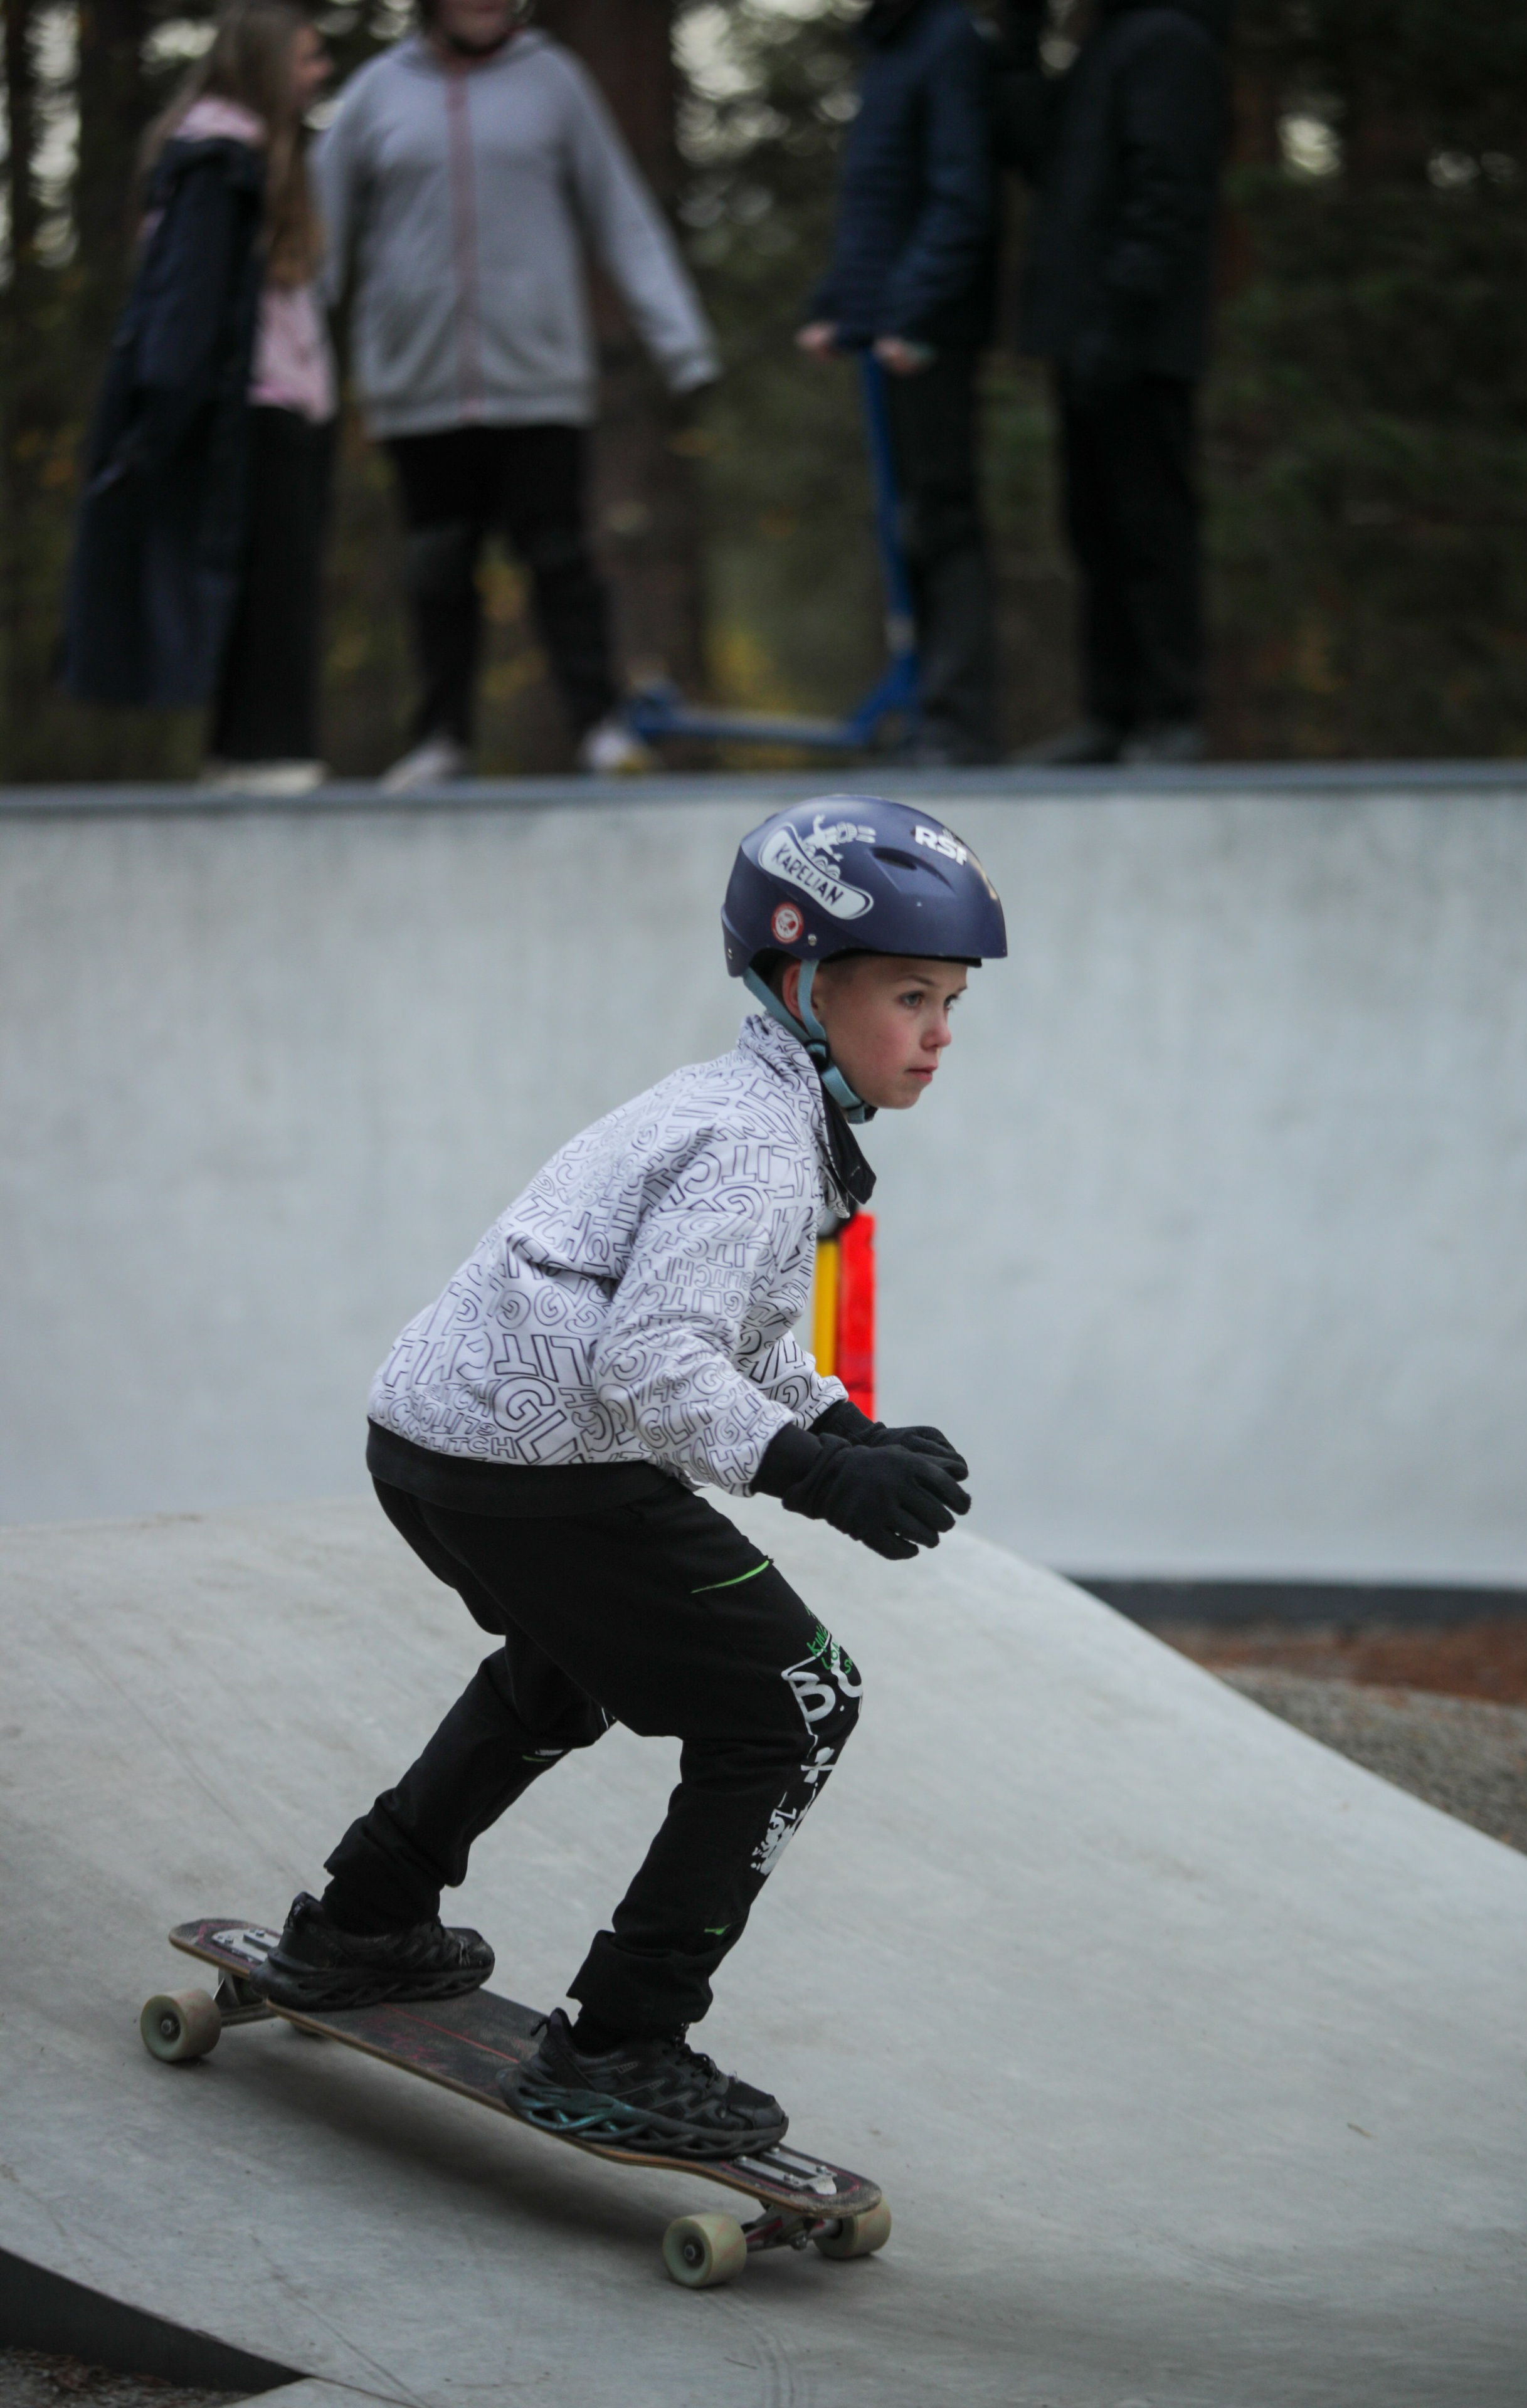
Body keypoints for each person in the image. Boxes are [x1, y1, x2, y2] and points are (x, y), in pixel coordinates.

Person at [255, 796, 1007, 2158]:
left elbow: (732, 1335)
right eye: (908, 994)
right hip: (542, 1464)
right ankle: (620, 2039)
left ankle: (364, 1918)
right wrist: (813, 1477)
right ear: (804, 983)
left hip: (438, 1447)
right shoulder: (757, 1150)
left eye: (949, 999)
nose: (940, 1031)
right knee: (797, 1706)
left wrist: (846, 1430)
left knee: (566, 1663)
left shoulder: (742, 1104)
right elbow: (652, 1363)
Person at [315, 0, 719, 789]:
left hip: (537, 377)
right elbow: (320, 235)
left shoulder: (554, 83)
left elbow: (623, 217)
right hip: (417, 381)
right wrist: (284, 355)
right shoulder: (375, 94)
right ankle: (440, 738)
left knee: (560, 556)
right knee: (437, 566)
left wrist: (683, 344)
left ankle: (599, 729)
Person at [62, 0, 337, 793]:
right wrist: (162, 418)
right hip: (247, 409)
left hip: (271, 404)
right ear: (264, 65)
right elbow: (187, 305)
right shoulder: (219, 163)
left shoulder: (241, 158)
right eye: (305, 60)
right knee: (271, 597)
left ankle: (248, 758)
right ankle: (268, 762)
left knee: (265, 590)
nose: (318, 75)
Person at [1000, 0, 1230, 764]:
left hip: (1138, 338)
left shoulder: (1169, 41)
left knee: (1149, 526)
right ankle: (1112, 712)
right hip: (1085, 332)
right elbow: (1042, 156)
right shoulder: (1106, 44)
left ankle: (1171, 712)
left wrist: (1121, 317)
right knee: (1094, 527)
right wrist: (1020, 42)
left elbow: (1167, 191)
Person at [797, 0, 999, 767]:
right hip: (889, 327)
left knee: (943, 521)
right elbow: (877, 202)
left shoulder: (946, 40)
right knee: (905, 523)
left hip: (928, 331)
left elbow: (960, 193)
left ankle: (958, 724)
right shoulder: (892, 45)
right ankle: (924, 715)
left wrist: (910, 313)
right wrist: (837, 307)